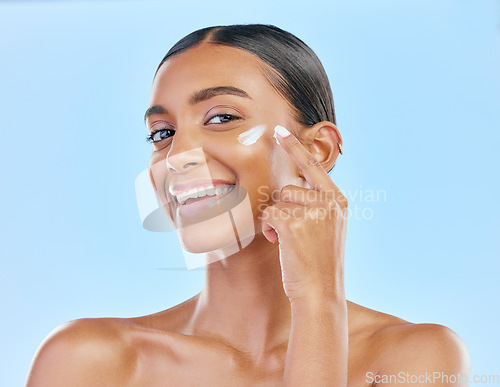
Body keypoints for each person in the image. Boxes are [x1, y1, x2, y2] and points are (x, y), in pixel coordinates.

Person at [26, 24, 470, 386]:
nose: (178, 155)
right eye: (162, 133)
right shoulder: (88, 362)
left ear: (317, 150)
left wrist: (318, 300)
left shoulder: (414, 360)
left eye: (221, 118)